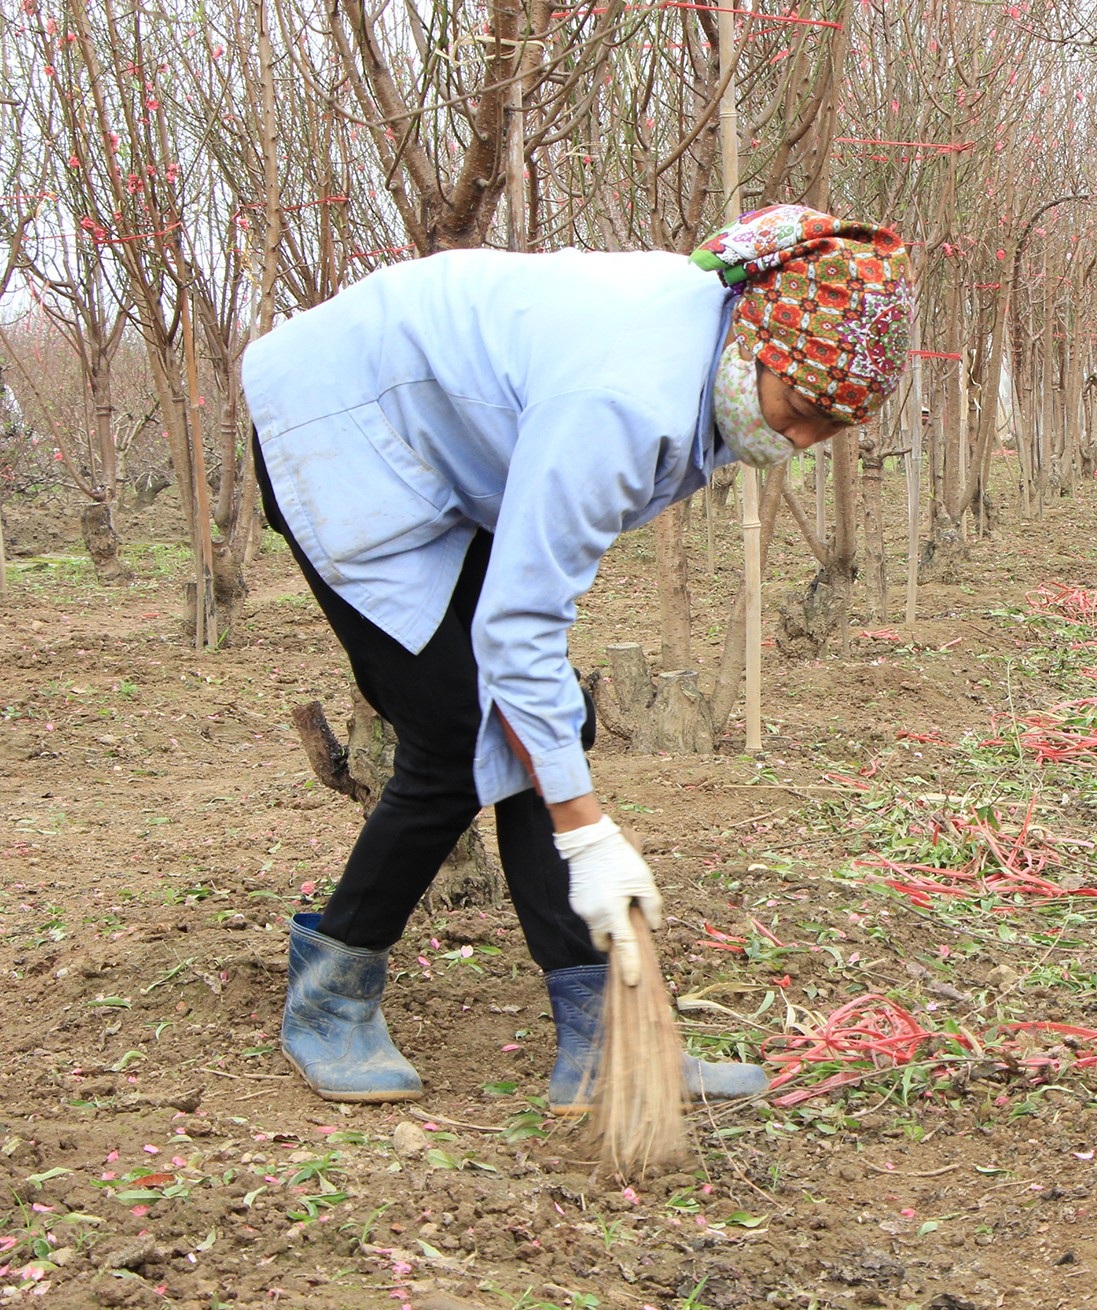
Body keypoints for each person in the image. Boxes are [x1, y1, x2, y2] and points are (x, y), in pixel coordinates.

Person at [244, 205, 911, 1107]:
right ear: (756, 342)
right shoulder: (623, 399)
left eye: (830, 429)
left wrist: (568, 783)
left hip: (446, 442)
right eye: (801, 409)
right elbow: (517, 627)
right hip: (342, 430)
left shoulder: (715, 343)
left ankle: (605, 1040)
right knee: (457, 735)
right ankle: (330, 999)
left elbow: (529, 645)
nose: (800, 441)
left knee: (534, 725)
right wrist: (589, 832)